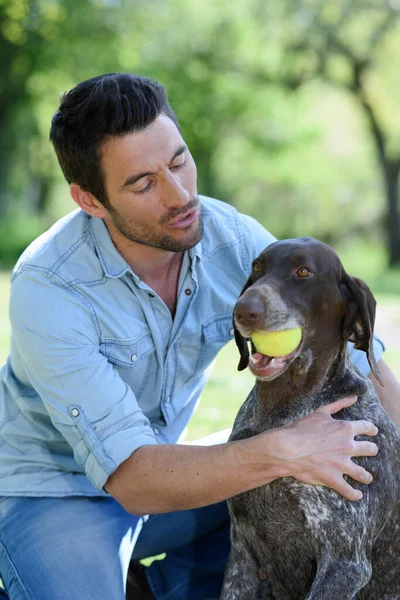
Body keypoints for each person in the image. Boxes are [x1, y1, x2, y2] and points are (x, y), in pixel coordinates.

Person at [0, 73, 399, 600]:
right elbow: (136, 480)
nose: (181, 194)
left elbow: (362, 358)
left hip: (172, 473)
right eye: (143, 183)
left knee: (310, 505)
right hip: (53, 494)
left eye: (180, 160)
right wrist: (283, 449)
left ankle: (153, 585)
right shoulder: (49, 289)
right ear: (90, 200)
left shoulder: (229, 237)